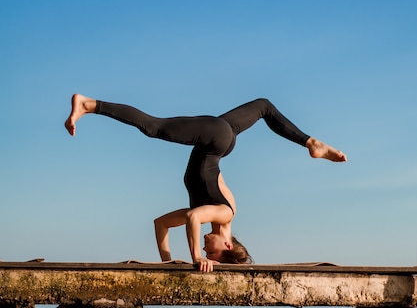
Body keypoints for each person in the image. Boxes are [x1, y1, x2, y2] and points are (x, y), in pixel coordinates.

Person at [65, 94, 347, 272]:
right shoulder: (224, 214)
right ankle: (89, 104)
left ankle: (312, 143)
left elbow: (160, 224)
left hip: (221, 140)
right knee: (154, 127)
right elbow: (193, 216)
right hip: (216, 139)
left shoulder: (216, 215)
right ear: (226, 246)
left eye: (204, 250)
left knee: (263, 106)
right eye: (210, 250)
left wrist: (168, 263)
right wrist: (196, 258)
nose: (204, 247)